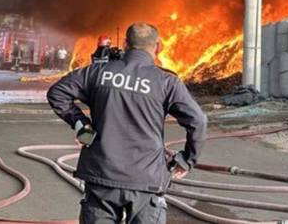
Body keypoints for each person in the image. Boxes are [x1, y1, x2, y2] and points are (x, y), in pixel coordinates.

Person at [47, 23, 207, 224]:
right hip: (146, 181)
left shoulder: (97, 72)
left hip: (101, 176)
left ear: (125, 43)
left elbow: (57, 93)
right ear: (158, 46)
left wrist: (82, 125)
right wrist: (187, 160)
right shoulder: (166, 82)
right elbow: (198, 121)